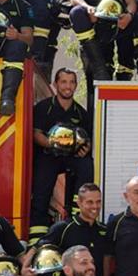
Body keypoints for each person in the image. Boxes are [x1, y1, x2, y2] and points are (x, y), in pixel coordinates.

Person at [29, 68, 94, 243]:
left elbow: (88, 140)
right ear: (56, 84)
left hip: (72, 157)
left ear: (75, 85)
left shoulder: (81, 113)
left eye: (71, 82)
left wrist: (85, 149)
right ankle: (37, 241)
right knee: (41, 195)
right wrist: (55, 143)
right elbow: (36, 134)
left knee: (87, 165)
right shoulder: (43, 108)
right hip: (49, 155)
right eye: (64, 82)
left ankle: (78, 212)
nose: (67, 86)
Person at [40, 183, 110, 276]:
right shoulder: (63, 228)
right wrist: (26, 269)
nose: (95, 206)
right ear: (79, 203)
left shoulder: (104, 230)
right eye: (90, 202)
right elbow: (39, 249)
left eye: (98, 202)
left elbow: (105, 264)